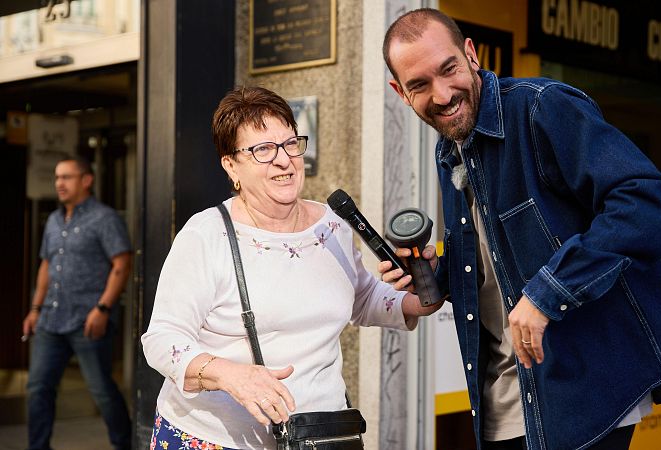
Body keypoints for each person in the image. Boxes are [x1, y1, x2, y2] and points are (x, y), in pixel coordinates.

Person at [380, 9, 661, 450]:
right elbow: (499, 259)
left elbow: (648, 205)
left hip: (582, 393)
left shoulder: (540, 108)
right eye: (419, 85)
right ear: (401, 93)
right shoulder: (449, 151)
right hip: (501, 403)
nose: (441, 93)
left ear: (470, 55)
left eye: (448, 68)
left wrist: (548, 292)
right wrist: (438, 273)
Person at [141, 86, 441, 449]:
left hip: (318, 435)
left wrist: (420, 297)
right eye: (262, 150)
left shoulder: (331, 224)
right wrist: (229, 375)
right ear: (231, 165)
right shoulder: (207, 234)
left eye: (289, 144)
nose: (283, 160)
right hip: (215, 437)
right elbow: (161, 340)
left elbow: (363, 298)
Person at [23, 156, 133, 450]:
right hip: (50, 319)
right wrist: (35, 308)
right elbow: (46, 265)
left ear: (86, 180)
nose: (59, 183)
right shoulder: (54, 220)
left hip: (88, 321)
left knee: (102, 392)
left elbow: (122, 264)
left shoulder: (104, 218)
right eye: (57, 177)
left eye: (67, 177)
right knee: (37, 388)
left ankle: (124, 445)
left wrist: (103, 308)